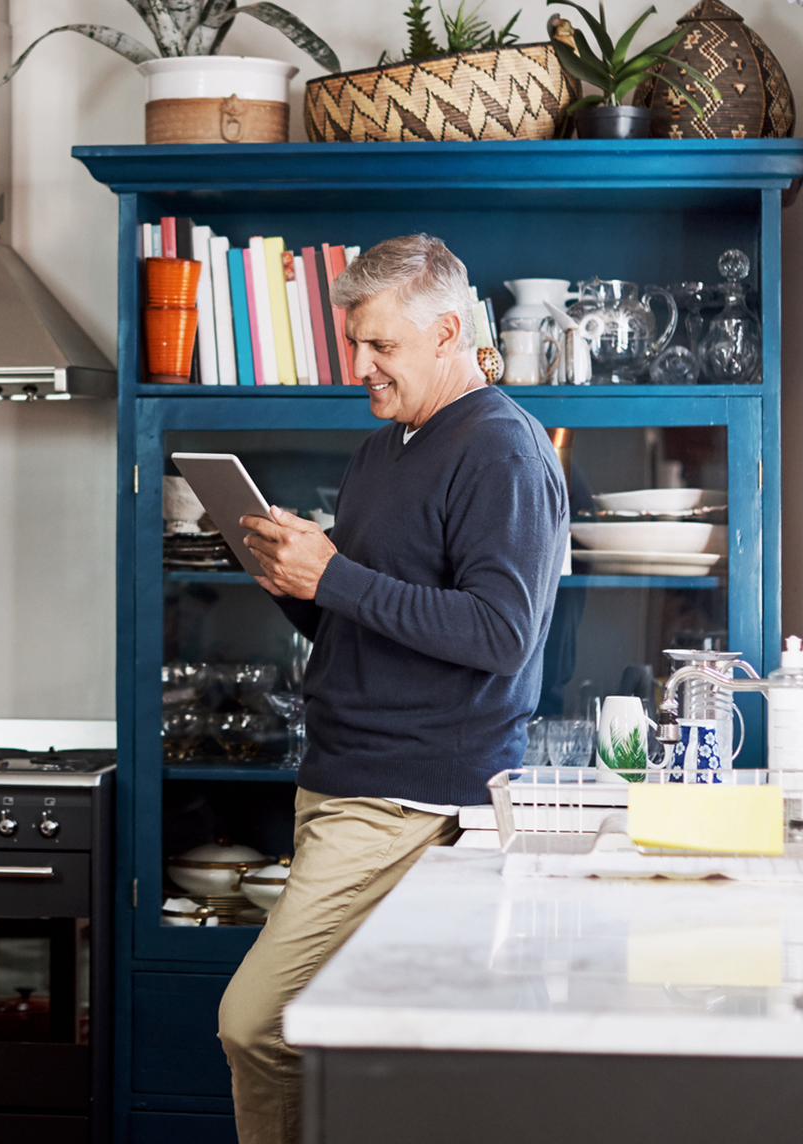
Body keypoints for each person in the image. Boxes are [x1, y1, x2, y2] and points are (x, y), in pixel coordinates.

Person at [217, 234, 569, 1144]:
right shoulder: (384, 449)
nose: (360, 367)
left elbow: (501, 633)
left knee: (256, 1023)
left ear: (449, 331)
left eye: (382, 348)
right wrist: (300, 585)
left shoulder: (502, 450)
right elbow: (371, 622)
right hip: (340, 782)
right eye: (355, 344)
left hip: (407, 797)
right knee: (350, 1047)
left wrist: (333, 577)